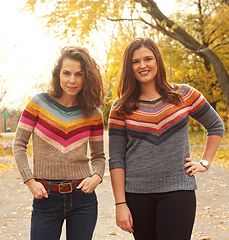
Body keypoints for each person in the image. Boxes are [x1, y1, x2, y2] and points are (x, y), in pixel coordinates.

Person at [108, 37, 225, 240]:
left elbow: (216, 125)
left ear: (157, 61)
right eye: (136, 61)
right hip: (137, 195)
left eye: (148, 59)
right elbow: (117, 159)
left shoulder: (184, 94)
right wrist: (120, 204)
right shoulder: (121, 106)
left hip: (178, 190)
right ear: (129, 67)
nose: (143, 65)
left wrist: (204, 162)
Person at [13, 46, 105, 240]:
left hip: (83, 199)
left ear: (86, 77)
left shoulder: (93, 114)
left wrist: (96, 177)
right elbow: (19, 144)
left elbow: (98, 156)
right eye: (67, 73)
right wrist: (29, 181)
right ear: (58, 74)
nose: (72, 80)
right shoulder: (38, 103)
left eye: (79, 74)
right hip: (45, 197)